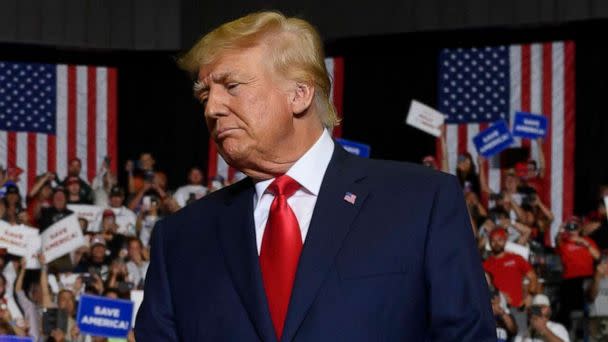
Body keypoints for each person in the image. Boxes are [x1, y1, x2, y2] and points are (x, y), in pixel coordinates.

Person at [135, 11, 494, 341]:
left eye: (231, 86)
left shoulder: (422, 203)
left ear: (300, 93)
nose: (212, 108)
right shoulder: (180, 239)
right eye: (204, 95)